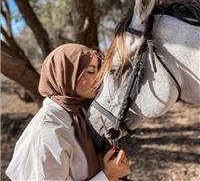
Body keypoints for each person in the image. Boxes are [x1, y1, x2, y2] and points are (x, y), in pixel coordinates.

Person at [6, 44, 129, 181]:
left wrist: (108, 164)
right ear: (66, 74)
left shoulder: (77, 114)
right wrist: (107, 175)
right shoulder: (48, 131)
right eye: (90, 71)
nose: (98, 78)